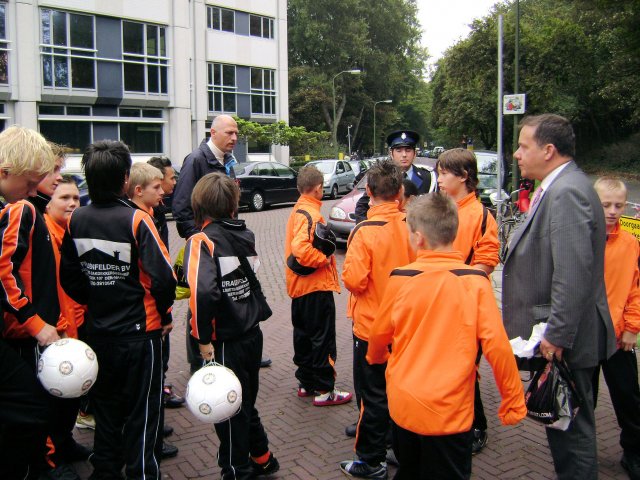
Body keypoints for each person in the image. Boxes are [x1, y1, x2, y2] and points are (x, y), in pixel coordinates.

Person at [366, 193, 526, 479]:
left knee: (409, 469)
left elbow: (379, 333)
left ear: (418, 238)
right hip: (451, 409)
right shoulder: (474, 282)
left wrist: (376, 357)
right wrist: (512, 400)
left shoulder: (400, 278)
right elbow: (497, 346)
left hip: (405, 403)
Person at [502, 114, 616, 480]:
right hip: (562, 335)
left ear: (548, 150)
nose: (517, 154)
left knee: (572, 433)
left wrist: (557, 335)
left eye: (524, 146)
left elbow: (573, 272)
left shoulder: (566, 192)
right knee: (565, 427)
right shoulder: (559, 186)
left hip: (567, 339)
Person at [60, 140, 176, 480]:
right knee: (144, 413)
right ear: (126, 178)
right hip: (141, 334)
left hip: (99, 332)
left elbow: (69, 277)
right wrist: (164, 314)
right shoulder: (137, 219)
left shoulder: (76, 219)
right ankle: (142, 474)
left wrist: (97, 299)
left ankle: (106, 471)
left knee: (106, 410)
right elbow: (164, 279)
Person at [184, 173, 279, 479]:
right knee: (245, 401)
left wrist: (202, 338)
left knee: (228, 410)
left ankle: (236, 470)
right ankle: (262, 457)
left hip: (224, 338)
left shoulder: (201, 240)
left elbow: (202, 293)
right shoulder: (244, 233)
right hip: (251, 333)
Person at [172, 115, 272, 370]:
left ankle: (242, 344)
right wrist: (203, 240)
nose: (235, 138)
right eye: (229, 133)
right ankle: (201, 358)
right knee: (204, 296)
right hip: (210, 244)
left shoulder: (228, 161)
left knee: (235, 292)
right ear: (213, 133)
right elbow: (181, 208)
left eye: (236, 133)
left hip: (230, 240)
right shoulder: (197, 160)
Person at [339, 160, 415, 479]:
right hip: (406, 326)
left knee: (372, 395)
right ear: (399, 192)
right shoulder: (413, 226)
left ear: (368, 191)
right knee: (400, 391)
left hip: (372, 327)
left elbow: (354, 280)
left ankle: (371, 460)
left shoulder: (365, 231)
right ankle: (397, 446)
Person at [0, 126, 56, 480]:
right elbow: (3, 272)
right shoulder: (17, 211)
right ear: (5, 172)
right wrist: (35, 324)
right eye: (30, 183)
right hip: (18, 330)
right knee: (29, 404)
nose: (34, 191)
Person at [436, 148, 500, 454]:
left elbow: (486, 261)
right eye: (437, 173)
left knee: (465, 368)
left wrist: (456, 281)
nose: (439, 179)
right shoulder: (439, 209)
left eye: (444, 173)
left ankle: (477, 425)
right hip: (437, 303)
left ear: (463, 176)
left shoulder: (481, 215)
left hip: (465, 306)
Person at [285, 165, 352, 406]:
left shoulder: (298, 209)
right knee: (322, 339)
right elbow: (301, 249)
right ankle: (325, 390)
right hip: (315, 287)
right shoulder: (311, 214)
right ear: (319, 188)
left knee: (303, 337)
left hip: (299, 288)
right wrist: (323, 259)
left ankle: (306, 382)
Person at [126, 162, 180, 459]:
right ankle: (150, 446)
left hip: (151, 311)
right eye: (157, 187)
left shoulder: (152, 214)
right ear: (138, 190)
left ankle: (154, 432)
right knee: (147, 384)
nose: (163, 192)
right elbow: (158, 276)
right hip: (148, 315)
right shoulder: (139, 220)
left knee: (156, 375)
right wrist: (165, 313)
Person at [592, 177, 640, 479]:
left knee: (628, 396)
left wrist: (632, 327)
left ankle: (633, 451)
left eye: (618, 206)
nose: (612, 211)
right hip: (586, 335)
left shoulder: (630, 243)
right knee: (584, 399)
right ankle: (581, 453)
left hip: (618, 334)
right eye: (606, 205)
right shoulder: (581, 239)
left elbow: (635, 288)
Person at [355, 129, 436, 223]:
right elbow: (362, 208)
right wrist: (371, 228)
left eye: (408, 150)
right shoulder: (382, 176)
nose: (404, 155)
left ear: (415, 153)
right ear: (391, 153)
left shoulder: (428, 177)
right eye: (399, 150)